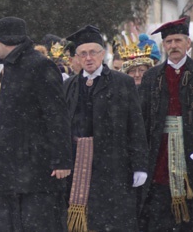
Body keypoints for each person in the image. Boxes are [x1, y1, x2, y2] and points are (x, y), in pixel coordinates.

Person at [0, 17, 72, 231]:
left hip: (37, 171)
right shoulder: (11, 68)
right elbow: (11, 122)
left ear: (4, 40)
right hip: (12, 171)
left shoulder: (40, 65)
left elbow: (57, 115)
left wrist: (62, 159)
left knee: (40, 225)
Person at [139, 17, 193, 231]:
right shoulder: (151, 76)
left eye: (178, 40)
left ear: (188, 43)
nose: (173, 46)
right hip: (160, 149)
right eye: (168, 42)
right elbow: (142, 117)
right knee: (159, 202)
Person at [63, 25, 148, 232]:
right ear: (77, 58)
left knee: (113, 218)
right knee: (81, 216)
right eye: (83, 54)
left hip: (114, 163)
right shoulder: (69, 85)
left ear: (103, 54)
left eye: (93, 52)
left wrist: (140, 165)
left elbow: (135, 125)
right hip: (78, 161)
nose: (88, 58)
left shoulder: (122, 82)